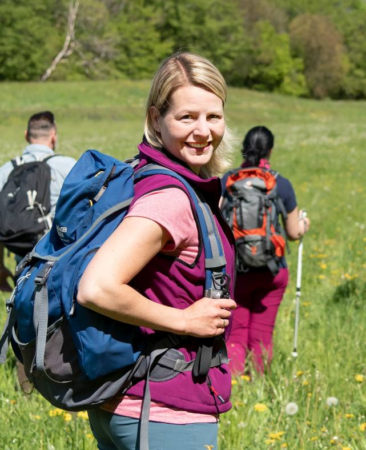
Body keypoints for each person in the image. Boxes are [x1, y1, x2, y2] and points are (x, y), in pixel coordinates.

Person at [77, 52, 237, 450]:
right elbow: (96, 287)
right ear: (155, 119)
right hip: (164, 412)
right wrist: (184, 320)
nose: (203, 131)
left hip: (126, 401)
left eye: (213, 116)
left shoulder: (142, 175)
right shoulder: (171, 198)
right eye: (187, 117)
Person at [224, 126, 310, 374]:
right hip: (272, 271)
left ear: (244, 148)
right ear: (270, 150)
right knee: (262, 333)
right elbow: (293, 233)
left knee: (236, 332)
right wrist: (304, 223)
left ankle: (235, 385)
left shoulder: (227, 181)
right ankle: (259, 383)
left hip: (237, 271)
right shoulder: (281, 183)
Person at [0, 111, 76, 291]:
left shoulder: (7, 170)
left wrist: (0, 266)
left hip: (23, 260)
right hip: (60, 257)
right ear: (53, 136)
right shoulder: (69, 166)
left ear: (26, 135)